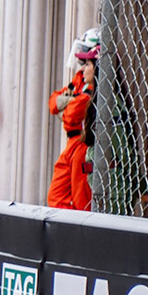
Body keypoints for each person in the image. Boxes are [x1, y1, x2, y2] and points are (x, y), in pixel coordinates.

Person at [48, 40, 97, 211]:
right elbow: (53, 102)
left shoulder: (93, 89)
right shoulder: (79, 79)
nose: (82, 67)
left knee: (81, 199)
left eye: (87, 62)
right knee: (57, 197)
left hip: (81, 143)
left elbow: (69, 115)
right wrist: (70, 103)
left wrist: (68, 104)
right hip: (73, 143)